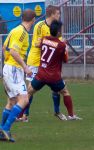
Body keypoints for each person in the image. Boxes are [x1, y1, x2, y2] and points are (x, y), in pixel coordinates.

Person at [18, 5, 67, 122]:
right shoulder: (39, 26)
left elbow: (58, 41)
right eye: (58, 13)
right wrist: (52, 42)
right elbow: (36, 43)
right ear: (52, 14)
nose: (59, 15)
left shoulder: (56, 27)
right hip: (35, 60)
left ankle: (57, 112)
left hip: (50, 62)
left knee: (56, 88)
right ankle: (25, 115)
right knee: (30, 89)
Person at [28, 20, 82, 122]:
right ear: (58, 32)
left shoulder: (44, 39)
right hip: (54, 77)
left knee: (29, 92)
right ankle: (71, 115)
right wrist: (65, 46)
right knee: (65, 92)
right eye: (60, 30)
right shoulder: (61, 45)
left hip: (41, 74)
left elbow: (38, 45)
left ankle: (20, 116)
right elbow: (65, 60)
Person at [0, 9, 36, 142]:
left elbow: (4, 48)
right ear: (33, 20)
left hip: (9, 68)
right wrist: (25, 67)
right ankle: (6, 128)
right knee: (24, 99)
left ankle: (1, 130)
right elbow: (14, 51)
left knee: (12, 102)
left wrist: (6, 63)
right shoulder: (21, 33)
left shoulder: (15, 30)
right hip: (14, 69)